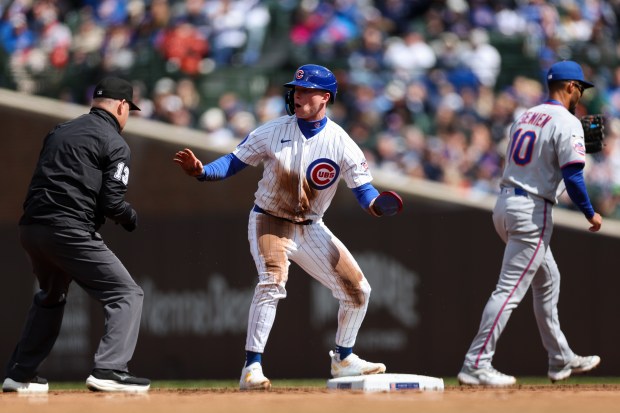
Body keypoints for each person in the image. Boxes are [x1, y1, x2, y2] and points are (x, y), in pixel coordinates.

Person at [174, 64, 402, 390]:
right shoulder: (273, 130)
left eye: (306, 90)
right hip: (270, 219)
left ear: (325, 97)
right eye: (296, 89)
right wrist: (201, 171)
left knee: (359, 291)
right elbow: (233, 161)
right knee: (272, 280)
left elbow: (365, 191)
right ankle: (252, 368)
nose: (297, 95)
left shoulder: (341, 142)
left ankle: (344, 359)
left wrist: (378, 206)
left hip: (311, 227)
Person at [457, 60, 603, 387]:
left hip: (506, 204)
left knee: (548, 278)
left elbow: (541, 167)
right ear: (569, 87)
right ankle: (476, 362)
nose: (580, 93)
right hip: (531, 211)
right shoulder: (567, 121)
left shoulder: (525, 115)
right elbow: (572, 176)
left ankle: (559, 356)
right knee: (508, 291)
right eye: (579, 87)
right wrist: (589, 211)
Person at [2, 77, 150, 394]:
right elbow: (111, 203)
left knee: (51, 295)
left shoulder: (60, 131)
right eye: (129, 110)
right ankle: (110, 369)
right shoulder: (114, 142)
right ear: (123, 106)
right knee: (126, 294)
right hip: (67, 229)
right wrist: (129, 216)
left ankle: (20, 373)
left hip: (31, 228)